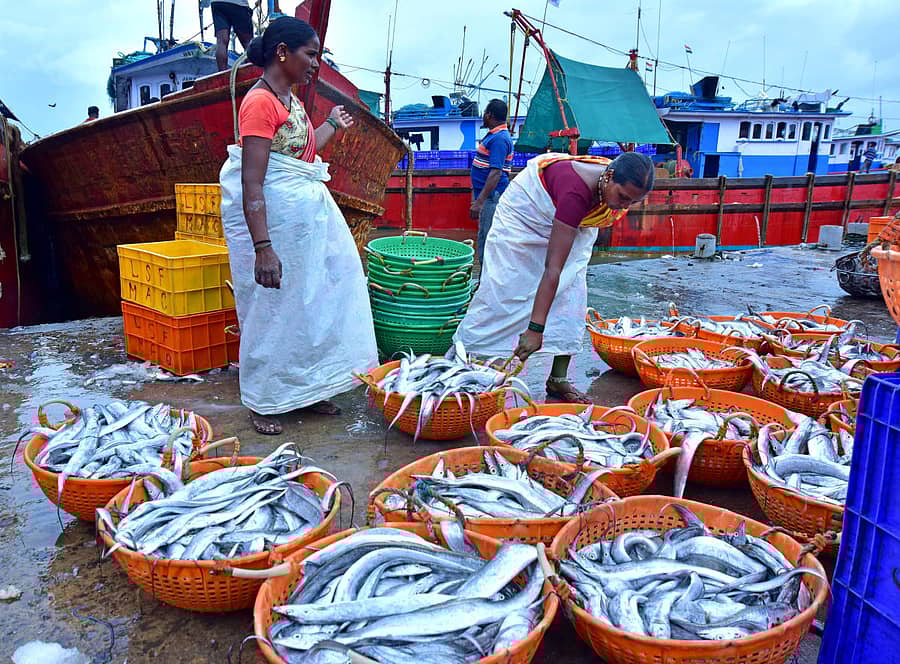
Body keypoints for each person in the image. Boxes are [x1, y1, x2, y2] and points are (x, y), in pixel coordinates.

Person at [218, 16, 378, 435]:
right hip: (275, 227)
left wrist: (329, 126)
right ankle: (265, 399)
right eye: (311, 54)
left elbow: (300, 159)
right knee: (273, 310)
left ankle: (307, 388)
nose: (315, 64)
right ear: (283, 52)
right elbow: (253, 180)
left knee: (313, 304)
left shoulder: (291, 100)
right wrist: (263, 247)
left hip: (303, 224)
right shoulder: (259, 102)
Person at [453, 151, 655, 403]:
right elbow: (553, 269)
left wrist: (535, 325)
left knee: (572, 291)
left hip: (571, 219)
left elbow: (562, 271)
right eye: (623, 197)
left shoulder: (606, 184)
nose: (624, 207)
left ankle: (558, 379)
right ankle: (468, 357)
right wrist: (535, 330)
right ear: (610, 176)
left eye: (631, 202)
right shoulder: (575, 194)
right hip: (525, 216)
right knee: (505, 289)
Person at [470, 98, 513, 271]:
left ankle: (487, 281)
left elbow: (496, 172)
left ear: (489, 115)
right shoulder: (494, 136)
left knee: (487, 238)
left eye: (485, 113)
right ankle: (486, 280)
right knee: (484, 235)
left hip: (492, 197)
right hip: (487, 195)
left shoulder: (499, 139)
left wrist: (479, 202)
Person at [211, 0, 254, 71]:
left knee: (221, 41)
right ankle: (251, 71)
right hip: (238, 4)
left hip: (217, 3)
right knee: (248, 43)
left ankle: (222, 75)